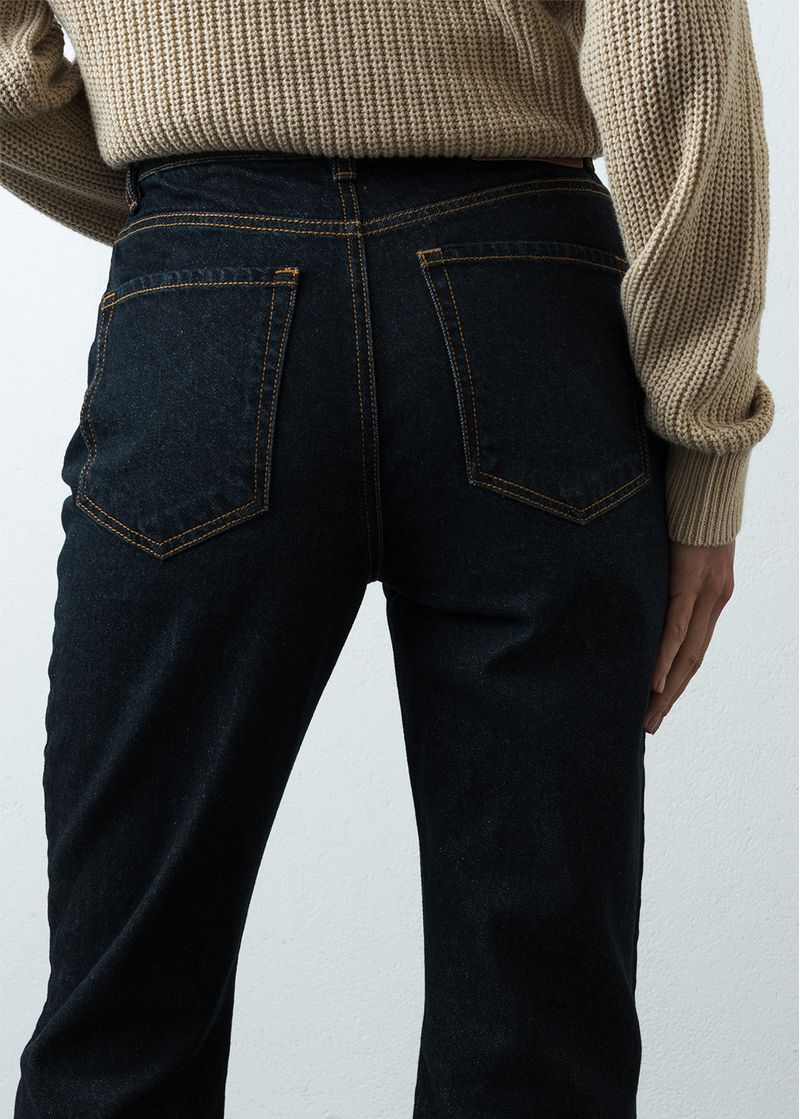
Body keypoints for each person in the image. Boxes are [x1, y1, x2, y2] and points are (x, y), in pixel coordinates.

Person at [0, 2, 774, 1116]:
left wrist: (196, 209)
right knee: (538, 1032)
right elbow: (670, 33)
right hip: (523, 294)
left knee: (122, 1009)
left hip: (205, 295)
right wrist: (703, 439)